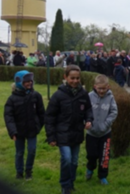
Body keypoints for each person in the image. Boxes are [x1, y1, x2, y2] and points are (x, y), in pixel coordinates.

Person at [45, 65, 93, 194]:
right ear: (65, 77)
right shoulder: (58, 95)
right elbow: (49, 116)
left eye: (77, 78)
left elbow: (88, 109)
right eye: (72, 78)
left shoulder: (83, 93)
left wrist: (89, 120)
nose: (75, 81)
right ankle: (65, 185)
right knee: (66, 158)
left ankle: (71, 182)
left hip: (77, 133)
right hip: (62, 133)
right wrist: (51, 136)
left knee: (74, 161)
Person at [4, 70, 45, 180]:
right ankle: (19, 172)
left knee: (32, 150)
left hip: (32, 129)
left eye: (30, 81)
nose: (29, 83)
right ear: (19, 82)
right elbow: (8, 117)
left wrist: (38, 126)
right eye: (26, 81)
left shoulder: (36, 95)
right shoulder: (12, 99)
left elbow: (42, 113)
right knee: (19, 152)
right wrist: (13, 131)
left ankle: (28, 171)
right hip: (18, 131)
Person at [85, 75, 118, 185]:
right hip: (91, 133)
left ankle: (102, 176)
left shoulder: (110, 97)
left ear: (108, 87)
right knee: (92, 155)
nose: (102, 91)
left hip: (105, 133)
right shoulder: (89, 96)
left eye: (104, 88)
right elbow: (84, 111)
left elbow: (114, 112)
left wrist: (106, 124)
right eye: (99, 88)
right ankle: (90, 168)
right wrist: (86, 122)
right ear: (95, 86)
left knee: (104, 156)